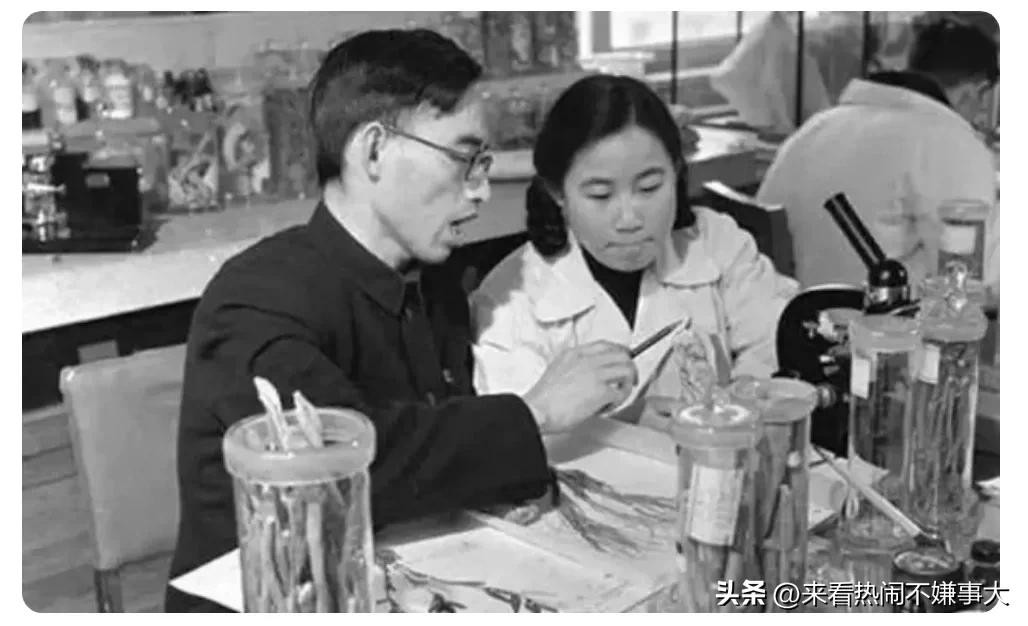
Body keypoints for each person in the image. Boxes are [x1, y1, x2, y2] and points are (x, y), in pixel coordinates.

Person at [165, 30, 636, 612]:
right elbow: (346, 466)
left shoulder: (432, 277)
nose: (481, 189)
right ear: (373, 152)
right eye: (463, 159)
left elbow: (434, 448)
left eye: (483, 163)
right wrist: (536, 412)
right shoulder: (255, 300)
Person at [471, 74, 798, 427]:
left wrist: (734, 408)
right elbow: (518, 434)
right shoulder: (511, 299)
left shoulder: (717, 244)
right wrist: (624, 423)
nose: (629, 219)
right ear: (557, 193)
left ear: (676, 173)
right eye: (600, 195)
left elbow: (776, 347)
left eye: (649, 188)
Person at [756, 15, 999, 292]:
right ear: (974, 92)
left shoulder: (819, 125)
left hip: (785, 308)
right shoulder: (951, 142)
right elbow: (972, 280)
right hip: (869, 314)